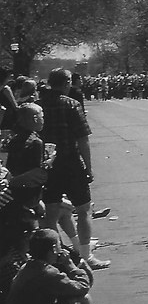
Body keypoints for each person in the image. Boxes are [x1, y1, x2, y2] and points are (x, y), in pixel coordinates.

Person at [38, 69, 109, 270]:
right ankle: (86, 256)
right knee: (84, 209)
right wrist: (89, 167)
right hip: (71, 162)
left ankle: (56, 256)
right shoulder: (71, 104)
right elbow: (82, 139)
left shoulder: (39, 105)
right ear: (67, 82)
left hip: (48, 164)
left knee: (51, 212)